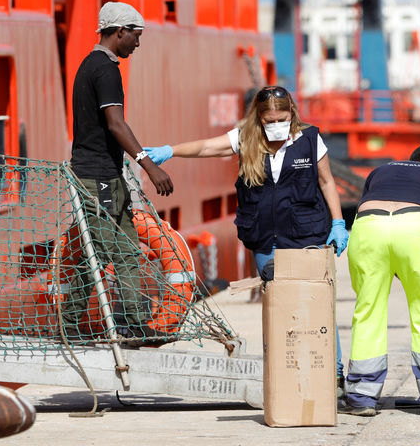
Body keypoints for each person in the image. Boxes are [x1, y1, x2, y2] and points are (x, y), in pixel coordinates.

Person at [145, 85, 349, 388]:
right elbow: (206, 147)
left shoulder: (309, 139)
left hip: (308, 234)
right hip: (267, 239)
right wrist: (170, 151)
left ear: (291, 111)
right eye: (270, 120)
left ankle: (333, 372)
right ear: (260, 117)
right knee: (279, 309)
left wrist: (338, 222)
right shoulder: (246, 138)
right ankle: (286, 374)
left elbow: (327, 181)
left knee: (317, 305)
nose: (276, 124)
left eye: (281, 117)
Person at [63, 1, 174, 347]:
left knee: (103, 250)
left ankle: (85, 323)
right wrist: (149, 165)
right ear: (120, 31)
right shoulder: (106, 69)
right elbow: (115, 123)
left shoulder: (88, 65)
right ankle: (124, 325)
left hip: (97, 172)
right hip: (98, 178)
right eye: (135, 37)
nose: (137, 44)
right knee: (116, 250)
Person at [338, 144, 420, 417]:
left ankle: (362, 397)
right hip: (417, 228)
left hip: (368, 227)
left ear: (410, 161)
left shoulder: (380, 171)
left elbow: (372, 212)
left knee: (368, 311)